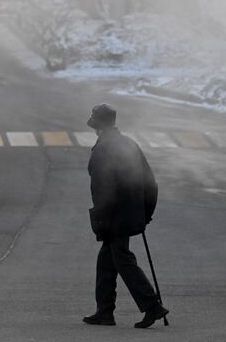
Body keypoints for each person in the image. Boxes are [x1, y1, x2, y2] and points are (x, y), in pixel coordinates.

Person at [83, 103, 169, 328]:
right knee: (106, 261)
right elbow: (151, 183)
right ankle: (104, 311)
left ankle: (153, 307)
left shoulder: (103, 149)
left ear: (97, 126)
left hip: (115, 217)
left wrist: (100, 221)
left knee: (122, 259)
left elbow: (103, 190)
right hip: (130, 214)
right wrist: (145, 214)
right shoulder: (129, 144)